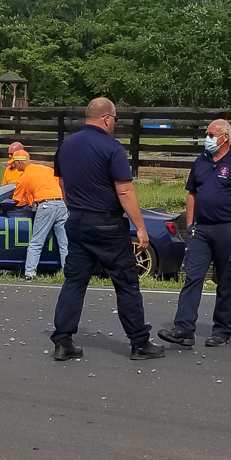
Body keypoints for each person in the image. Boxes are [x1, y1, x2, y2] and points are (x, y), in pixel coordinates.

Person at [50, 98, 164, 361]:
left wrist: (76, 209)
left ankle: (63, 339)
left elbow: (63, 184)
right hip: (108, 224)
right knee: (126, 282)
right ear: (106, 118)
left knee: (74, 282)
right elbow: (124, 190)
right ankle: (139, 342)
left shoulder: (66, 145)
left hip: (77, 222)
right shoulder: (111, 148)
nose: (114, 124)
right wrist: (141, 227)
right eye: (115, 119)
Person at [158, 120, 231, 348]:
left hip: (227, 228)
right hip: (201, 230)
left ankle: (222, 330)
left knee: (225, 279)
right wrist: (191, 224)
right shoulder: (201, 161)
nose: (208, 138)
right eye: (207, 134)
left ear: (225, 138)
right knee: (192, 276)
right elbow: (192, 193)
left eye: (212, 134)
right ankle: (184, 328)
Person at [9, 150, 68, 280]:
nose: (14, 166)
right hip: (61, 204)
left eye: (14, 163)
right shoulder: (46, 169)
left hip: (46, 206)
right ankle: (68, 273)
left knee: (36, 242)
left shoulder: (24, 178)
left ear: (19, 162)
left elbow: (16, 201)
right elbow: (59, 183)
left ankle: (30, 273)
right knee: (64, 243)